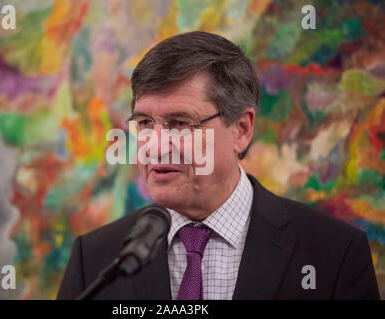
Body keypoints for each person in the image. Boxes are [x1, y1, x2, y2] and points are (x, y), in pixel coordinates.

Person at [57, 31, 380, 300]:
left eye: (180, 123)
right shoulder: (96, 259)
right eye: (144, 122)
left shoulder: (334, 254)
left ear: (241, 130)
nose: (154, 146)